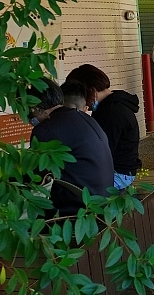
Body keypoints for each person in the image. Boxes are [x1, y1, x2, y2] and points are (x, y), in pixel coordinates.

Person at [28, 77, 114, 214]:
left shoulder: (45, 129)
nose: (29, 120)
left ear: (36, 108)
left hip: (77, 211)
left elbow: (36, 178)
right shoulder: (85, 118)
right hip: (102, 204)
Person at [65, 64, 142, 190]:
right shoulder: (113, 104)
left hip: (118, 174)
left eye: (81, 97)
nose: (81, 102)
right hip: (123, 171)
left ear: (92, 91)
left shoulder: (111, 112)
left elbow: (101, 153)